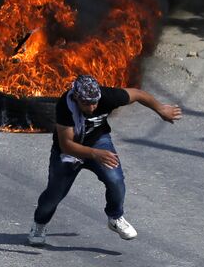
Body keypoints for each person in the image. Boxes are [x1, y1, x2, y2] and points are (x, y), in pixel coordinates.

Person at [27, 75, 182, 246]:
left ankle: (115, 217)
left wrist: (161, 109)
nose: (92, 107)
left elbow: (138, 94)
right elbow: (66, 146)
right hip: (69, 152)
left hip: (98, 141)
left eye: (95, 102)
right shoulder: (66, 106)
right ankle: (39, 224)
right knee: (54, 195)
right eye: (87, 103)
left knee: (115, 180)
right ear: (76, 98)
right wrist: (94, 154)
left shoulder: (108, 96)